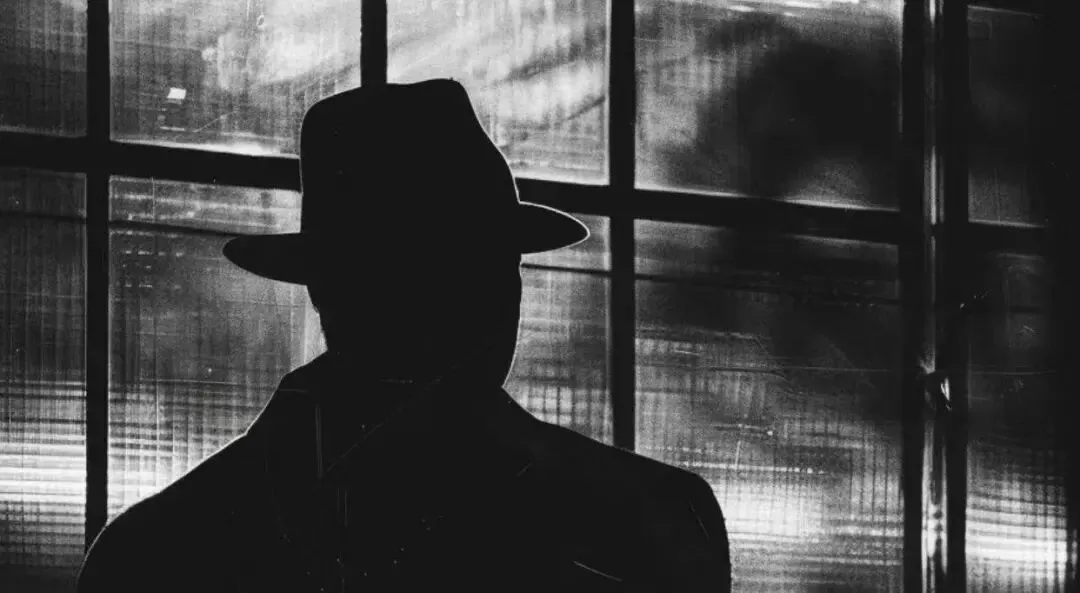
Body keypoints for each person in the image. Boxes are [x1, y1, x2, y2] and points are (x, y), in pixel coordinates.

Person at [76, 79, 732, 592]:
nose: (484, 299)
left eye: (487, 263)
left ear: (322, 286)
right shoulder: (654, 519)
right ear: (336, 288)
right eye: (428, 268)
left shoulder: (161, 550)